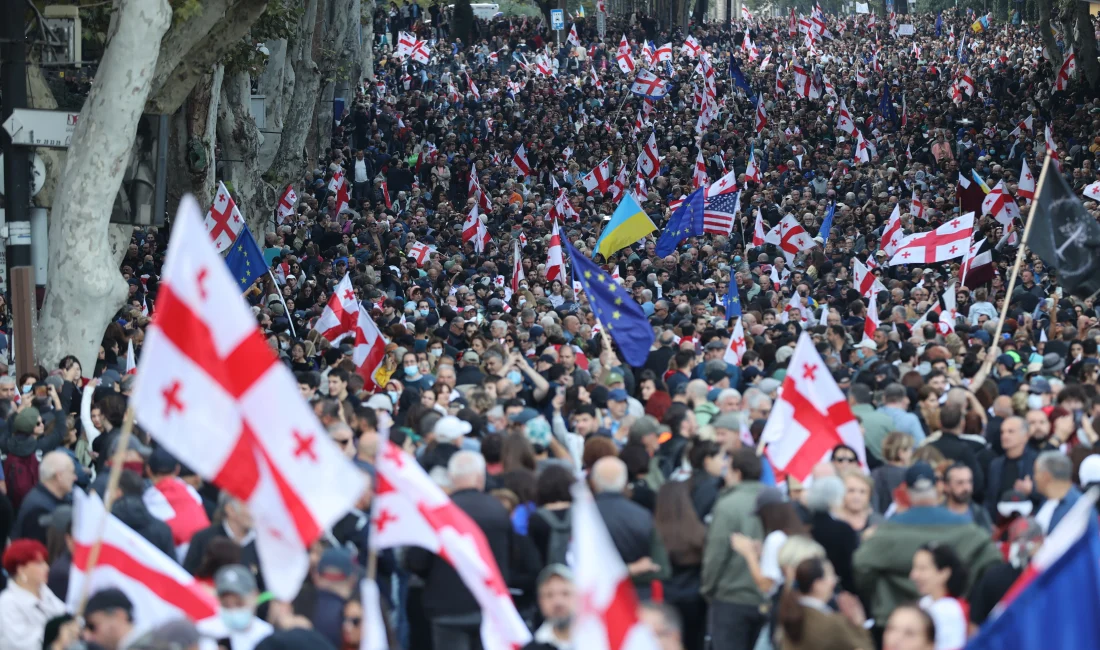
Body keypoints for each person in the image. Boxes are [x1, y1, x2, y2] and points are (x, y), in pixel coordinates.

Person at [853, 462, 1002, 636]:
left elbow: (861, 565)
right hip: (951, 620)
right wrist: (965, 592)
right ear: (938, 488)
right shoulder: (969, 530)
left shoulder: (885, 531)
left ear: (906, 492)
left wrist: (881, 595)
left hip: (895, 621)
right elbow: (992, 561)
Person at [406, 451, 515, 650]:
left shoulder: (437, 514)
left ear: (451, 478)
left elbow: (417, 561)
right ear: (480, 478)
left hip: (447, 607)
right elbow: (513, 556)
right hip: (488, 605)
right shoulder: (498, 511)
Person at [701, 448, 768, 650]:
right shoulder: (776, 501)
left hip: (731, 597)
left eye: (728, 469)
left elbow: (716, 554)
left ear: (737, 473)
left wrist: (708, 589)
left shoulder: (727, 504)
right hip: (767, 596)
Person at [590, 456, 667, 599]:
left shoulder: (583, 518)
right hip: (636, 595)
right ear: (624, 482)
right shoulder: (643, 515)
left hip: (596, 597)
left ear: (593, 482)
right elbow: (661, 568)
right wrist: (633, 569)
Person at [775, 557, 873, 650]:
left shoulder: (790, 615)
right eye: (831, 576)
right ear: (817, 584)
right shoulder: (831, 623)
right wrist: (859, 624)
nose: (834, 581)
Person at [0, 539, 67, 650]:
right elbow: (21, 645)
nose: (47, 567)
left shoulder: (44, 591)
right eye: (39, 563)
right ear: (21, 569)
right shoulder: (7, 603)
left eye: (45, 562)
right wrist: (59, 637)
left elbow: (64, 613)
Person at [196, 564, 274, 650]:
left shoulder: (267, 635)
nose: (233, 611)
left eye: (239, 603)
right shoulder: (205, 631)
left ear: (255, 596)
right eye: (226, 605)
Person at [910, 544, 969, 650]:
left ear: (944, 573)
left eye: (922, 569)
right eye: (915, 568)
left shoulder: (951, 610)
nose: (914, 575)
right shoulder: (924, 602)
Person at [11, 451, 76, 543]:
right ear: (59, 476)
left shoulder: (49, 498)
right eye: (72, 472)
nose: (75, 477)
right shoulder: (39, 510)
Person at [1033, 450, 1082, 534]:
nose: (1034, 477)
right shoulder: (1048, 500)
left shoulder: (1076, 508)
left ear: (1046, 476)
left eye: (1036, 472)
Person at [530, 564, 574, 649]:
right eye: (549, 595)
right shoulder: (532, 647)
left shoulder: (598, 640)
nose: (558, 602)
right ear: (540, 601)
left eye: (565, 593)